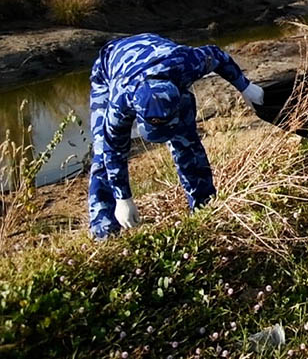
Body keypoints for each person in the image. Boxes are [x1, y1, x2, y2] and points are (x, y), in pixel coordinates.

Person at [88, 33, 264, 239]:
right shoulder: (121, 99)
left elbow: (217, 55)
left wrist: (246, 87)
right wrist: (123, 199)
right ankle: (104, 230)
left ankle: (205, 208)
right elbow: (113, 150)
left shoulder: (187, 64)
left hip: (164, 59)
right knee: (102, 155)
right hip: (110, 67)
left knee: (187, 143)